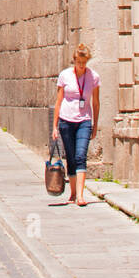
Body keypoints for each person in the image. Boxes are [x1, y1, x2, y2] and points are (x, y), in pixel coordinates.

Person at [52, 44, 100, 207]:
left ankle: (80, 195)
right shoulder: (65, 76)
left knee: (81, 156)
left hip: (84, 120)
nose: (81, 65)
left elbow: (96, 102)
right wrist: (55, 126)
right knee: (71, 158)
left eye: (84, 62)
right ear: (74, 61)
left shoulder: (93, 77)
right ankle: (72, 193)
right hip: (66, 120)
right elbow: (58, 101)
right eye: (79, 62)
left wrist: (94, 125)